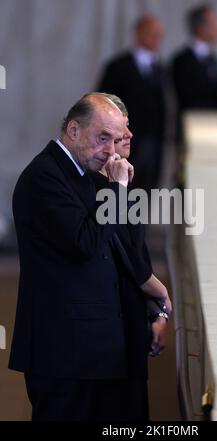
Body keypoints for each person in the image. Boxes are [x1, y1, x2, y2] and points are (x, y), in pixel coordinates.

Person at [9, 93, 156, 421]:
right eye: (102, 138)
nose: (110, 150)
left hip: (87, 352)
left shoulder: (79, 172)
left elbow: (115, 251)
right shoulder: (44, 177)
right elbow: (87, 244)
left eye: (115, 139)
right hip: (61, 353)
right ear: (73, 130)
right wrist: (117, 189)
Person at [95, 93, 172, 353]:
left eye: (128, 126)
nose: (129, 134)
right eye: (121, 128)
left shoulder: (124, 180)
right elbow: (123, 257)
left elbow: (139, 253)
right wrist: (159, 292)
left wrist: (156, 311)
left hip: (131, 320)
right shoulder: (96, 186)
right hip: (108, 331)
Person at [96, 15, 166, 193]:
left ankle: (138, 222)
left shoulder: (160, 69)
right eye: (152, 34)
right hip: (123, 140)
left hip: (153, 141)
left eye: (159, 35)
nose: (157, 39)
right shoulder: (118, 66)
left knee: (147, 186)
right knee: (121, 186)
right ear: (139, 34)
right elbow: (103, 103)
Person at [172, 4, 217, 128]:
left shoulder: (215, 61)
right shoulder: (182, 61)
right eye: (214, 23)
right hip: (194, 129)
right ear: (201, 28)